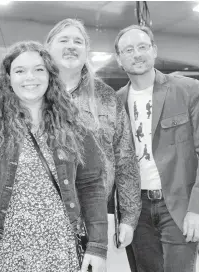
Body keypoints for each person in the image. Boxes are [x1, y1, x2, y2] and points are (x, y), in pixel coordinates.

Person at [0, 41, 108, 272]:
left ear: (50, 76)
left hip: (60, 247)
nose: (30, 77)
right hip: (7, 249)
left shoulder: (73, 126)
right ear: (8, 78)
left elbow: (92, 184)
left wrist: (97, 246)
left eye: (39, 69)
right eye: (20, 71)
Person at [45, 18, 141, 269]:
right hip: (42, 221)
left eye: (78, 41)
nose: (71, 46)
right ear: (48, 48)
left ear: (86, 51)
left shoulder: (106, 97)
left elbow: (125, 159)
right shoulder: (32, 94)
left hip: (97, 220)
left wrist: (129, 218)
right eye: (63, 40)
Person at [115, 24, 199, 272]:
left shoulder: (188, 90)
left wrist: (196, 208)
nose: (137, 54)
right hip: (136, 210)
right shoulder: (116, 102)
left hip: (178, 205)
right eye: (128, 50)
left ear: (154, 50)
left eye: (142, 47)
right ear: (119, 59)